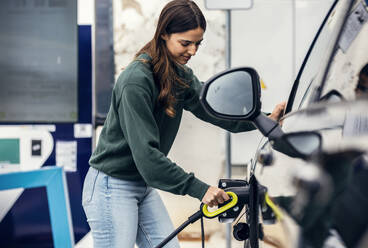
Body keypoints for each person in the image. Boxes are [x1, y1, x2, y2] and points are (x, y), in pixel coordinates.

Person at [82, 1, 285, 247]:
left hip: (141, 185)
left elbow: (216, 112)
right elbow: (147, 157)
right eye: (186, 43)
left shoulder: (180, 76)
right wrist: (200, 189)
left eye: (198, 43)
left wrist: (263, 119)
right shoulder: (135, 82)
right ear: (164, 34)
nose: (193, 51)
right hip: (110, 186)